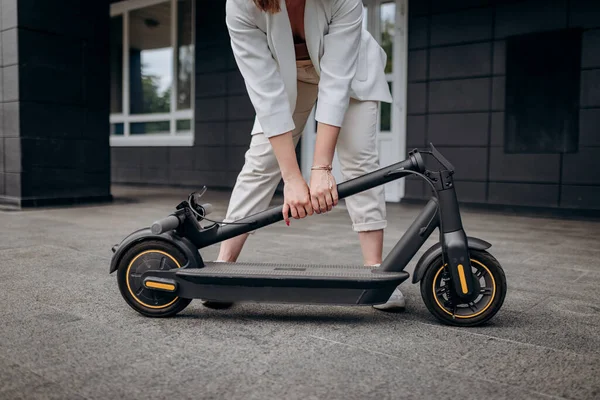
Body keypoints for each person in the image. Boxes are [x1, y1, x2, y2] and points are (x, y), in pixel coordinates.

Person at [208, 0, 404, 310]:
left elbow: (336, 83)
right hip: (286, 81)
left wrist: (321, 168)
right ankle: (223, 268)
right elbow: (265, 92)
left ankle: (375, 272)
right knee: (262, 162)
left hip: (350, 70)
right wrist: (292, 177)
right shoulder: (241, 5)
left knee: (358, 159)